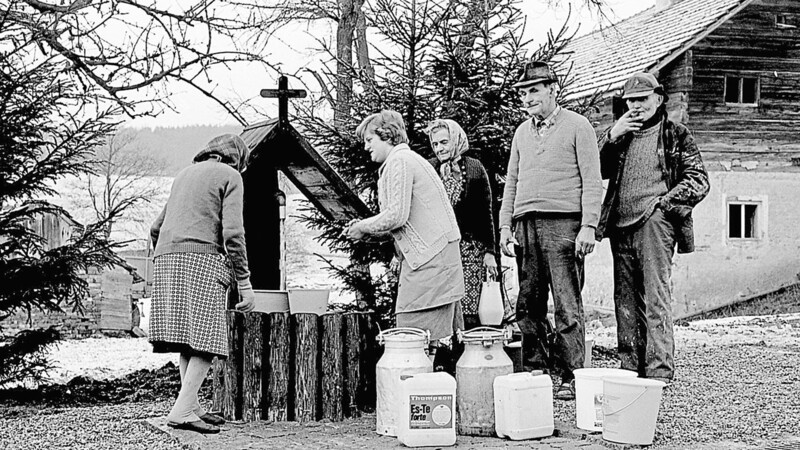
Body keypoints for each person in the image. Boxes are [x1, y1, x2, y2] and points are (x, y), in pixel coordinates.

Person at [596, 72, 709, 385]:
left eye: (642, 99)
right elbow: (591, 166)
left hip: (654, 223)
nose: (636, 106)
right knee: (624, 301)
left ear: (659, 99)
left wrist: (663, 205)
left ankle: (659, 371)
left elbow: (699, 181)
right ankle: (630, 368)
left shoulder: (676, 133)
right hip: (620, 226)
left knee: (656, 297)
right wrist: (611, 135)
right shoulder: (622, 135)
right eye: (631, 100)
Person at [499, 61, 603, 400]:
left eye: (534, 90)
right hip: (525, 224)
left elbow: (592, 181)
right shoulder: (520, 133)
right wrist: (504, 225)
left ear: (553, 89)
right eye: (523, 92)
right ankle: (536, 371)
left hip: (564, 224)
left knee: (566, 303)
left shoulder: (578, 125)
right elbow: (511, 182)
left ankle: (570, 375)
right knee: (528, 303)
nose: (527, 98)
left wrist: (589, 226)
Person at [149, 134, 256, 434]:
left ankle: (191, 403)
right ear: (236, 158)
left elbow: (155, 228)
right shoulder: (230, 175)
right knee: (208, 335)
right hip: (202, 258)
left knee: (188, 336)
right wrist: (244, 282)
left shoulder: (183, 174)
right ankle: (182, 411)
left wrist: (167, 258)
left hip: (166, 257)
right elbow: (233, 234)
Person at [343, 110, 465, 356]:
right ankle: (433, 386)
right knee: (425, 336)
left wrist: (362, 226)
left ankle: (423, 389)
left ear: (387, 135)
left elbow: (396, 215)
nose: (366, 147)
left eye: (369, 140)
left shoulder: (400, 161)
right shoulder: (404, 161)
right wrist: (365, 231)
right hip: (432, 255)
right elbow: (400, 221)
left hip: (432, 259)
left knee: (413, 334)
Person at [424, 119, 498, 330]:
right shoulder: (430, 169)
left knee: (469, 306)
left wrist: (490, 251)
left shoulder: (474, 168)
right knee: (443, 304)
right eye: (435, 144)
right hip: (440, 250)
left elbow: (487, 212)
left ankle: (470, 356)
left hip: (469, 250)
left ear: (456, 139)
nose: (439, 148)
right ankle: (445, 358)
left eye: (444, 142)